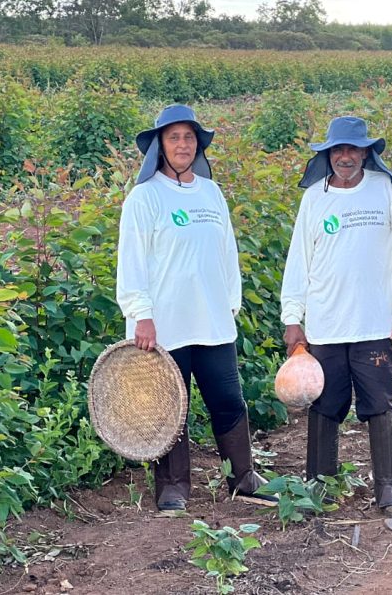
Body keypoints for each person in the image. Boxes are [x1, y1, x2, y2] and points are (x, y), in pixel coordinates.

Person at [116, 104, 276, 514]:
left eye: (190, 138)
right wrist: (142, 314)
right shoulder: (145, 196)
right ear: (159, 146)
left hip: (212, 320)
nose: (183, 145)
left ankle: (243, 478)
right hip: (164, 325)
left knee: (228, 399)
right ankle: (173, 487)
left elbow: (226, 253)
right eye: (175, 138)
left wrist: (230, 305)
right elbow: (132, 260)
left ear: (198, 145)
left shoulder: (211, 192)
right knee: (170, 407)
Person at [280, 116, 392, 518]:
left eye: (352, 149)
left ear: (365, 153)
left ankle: (390, 487)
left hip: (374, 323)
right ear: (328, 155)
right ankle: (318, 485)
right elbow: (298, 262)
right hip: (325, 324)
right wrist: (293, 316)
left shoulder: (386, 191)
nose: (345, 157)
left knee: (380, 403)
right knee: (324, 404)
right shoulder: (315, 200)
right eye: (337, 150)